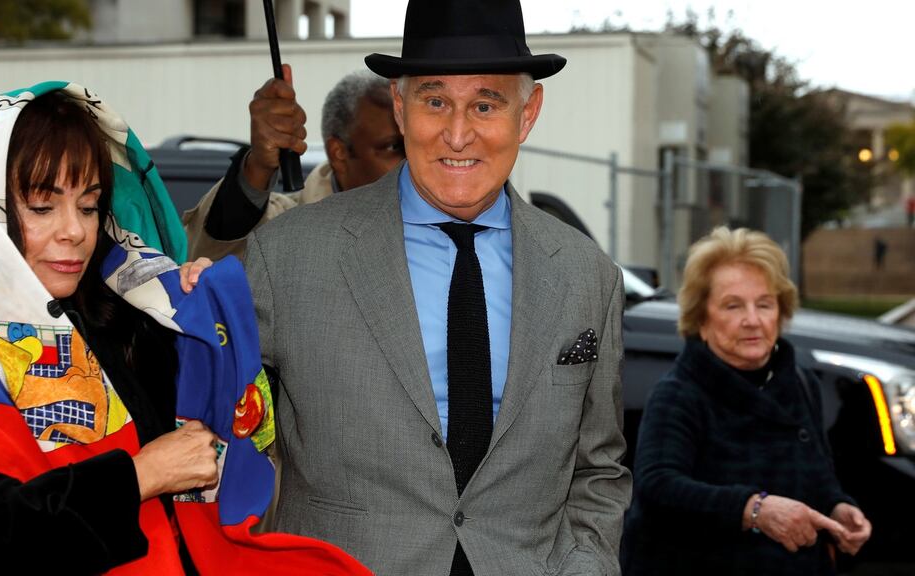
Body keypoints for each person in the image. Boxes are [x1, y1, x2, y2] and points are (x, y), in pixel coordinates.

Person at [0, 83, 368, 575]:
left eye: (89, 205)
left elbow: (231, 437)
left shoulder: (118, 312)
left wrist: (201, 325)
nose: (75, 230)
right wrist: (140, 476)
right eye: (42, 206)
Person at [242, 0, 631, 574]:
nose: (457, 134)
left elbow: (598, 471)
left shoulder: (587, 275)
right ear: (400, 108)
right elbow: (220, 439)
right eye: (435, 101)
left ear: (528, 114)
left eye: (485, 105)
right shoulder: (287, 256)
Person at [621, 226, 872, 576]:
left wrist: (837, 507)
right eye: (733, 305)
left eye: (764, 304)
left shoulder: (801, 383)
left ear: (780, 312)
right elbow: (657, 489)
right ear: (701, 319)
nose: (752, 320)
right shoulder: (679, 393)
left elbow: (816, 475)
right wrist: (753, 509)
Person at [183, 68, 404, 261]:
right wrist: (258, 166)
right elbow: (213, 261)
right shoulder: (282, 231)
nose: (410, 159)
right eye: (394, 147)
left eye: (414, 142)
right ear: (339, 154)